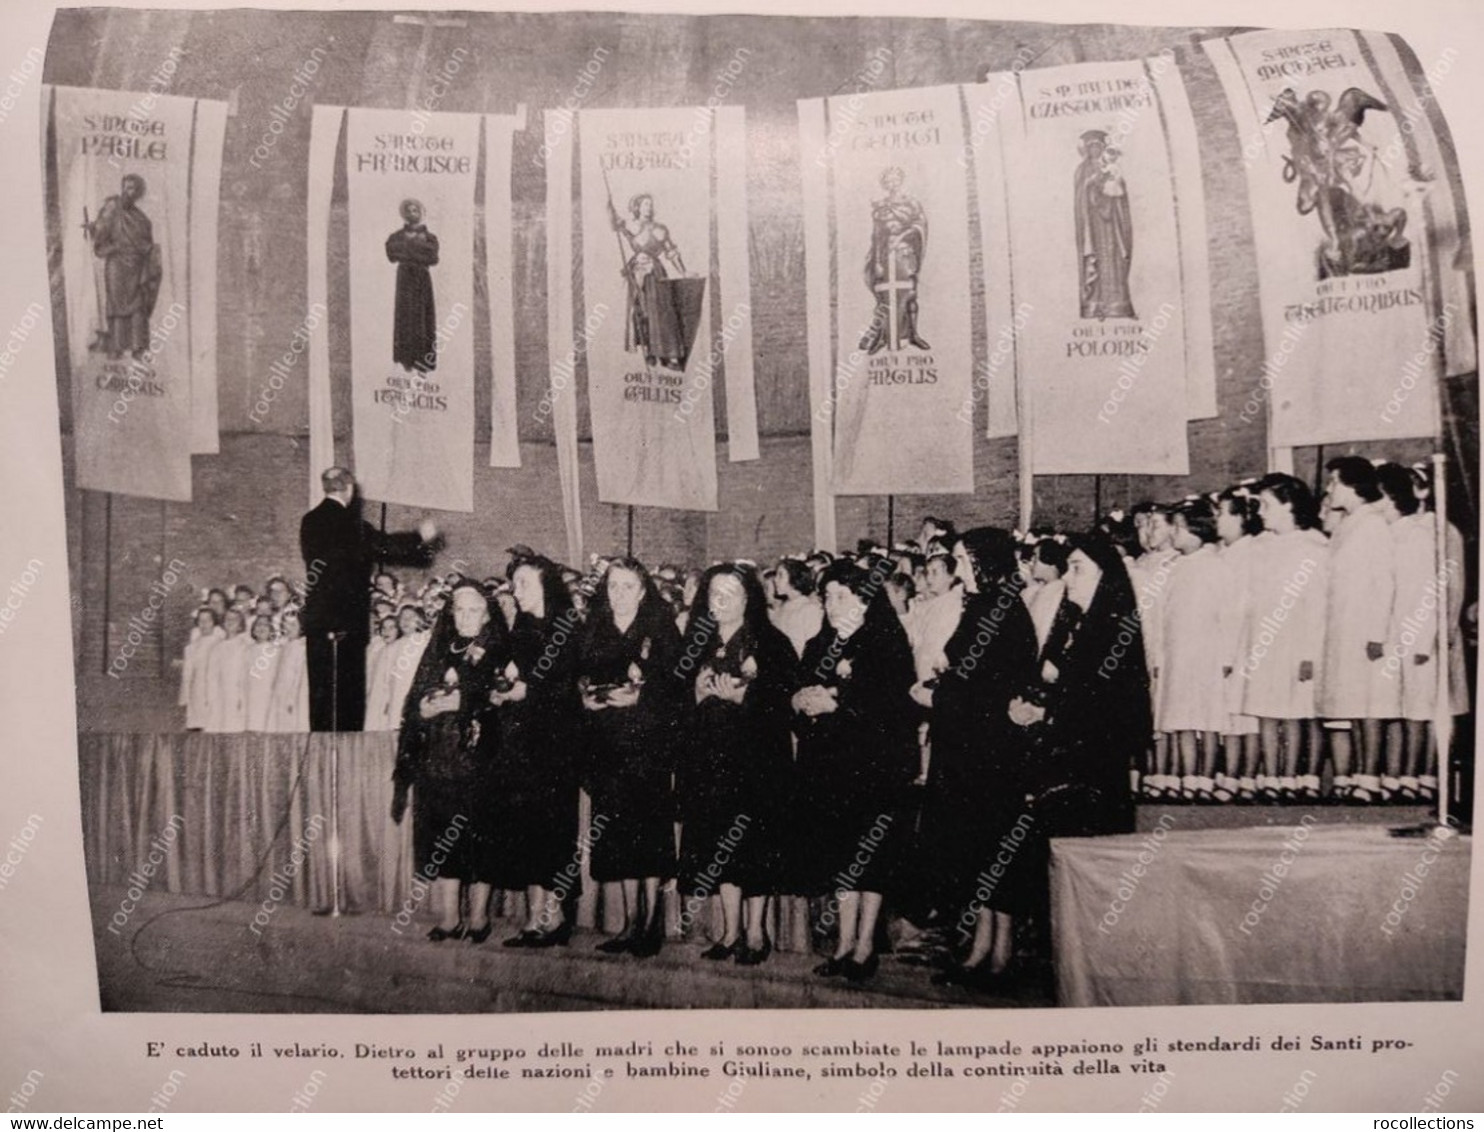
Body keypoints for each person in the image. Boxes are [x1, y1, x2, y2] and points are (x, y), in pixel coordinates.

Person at [1006, 534, 1148, 965]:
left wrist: (1054, 700)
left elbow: (1107, 702)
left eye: (1080, 568)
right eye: (1068, 567)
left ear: (1107, 577)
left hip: (1094, 768)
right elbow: (1048, 680)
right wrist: (1032, 703)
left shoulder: (1117, 628)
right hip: (1057, 762)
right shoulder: (1070, 624)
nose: (1069, 577)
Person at [913, 528, 1038, 991]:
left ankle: (1001, 955)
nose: (961, 570)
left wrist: (936, 695)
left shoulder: (1001, 610)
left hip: (991, 753)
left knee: (997, 849)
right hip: (971, 749)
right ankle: (982, 948)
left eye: (966, 561)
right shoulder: (986, 607)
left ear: (987, 563)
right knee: (980, 852)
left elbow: (987, 689)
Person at [792, 559, 917, 983]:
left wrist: (840, 705)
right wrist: (800, 702)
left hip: (875, 766)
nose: (831, 604)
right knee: (842, 853)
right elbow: (799, 688)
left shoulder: (887, 642)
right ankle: (843, 943)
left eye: (841, 596)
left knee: (872, 855)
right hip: (831, 768)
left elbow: (893, 707)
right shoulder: (818, 643)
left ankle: (865, 945)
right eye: (827, 596)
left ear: (864, 601)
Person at [677, 564, 799, 966]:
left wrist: (743, 698)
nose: (721, 600)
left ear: (749, 597)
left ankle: (756, 931)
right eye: (714, 593)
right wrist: (695, 692)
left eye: (731, 592)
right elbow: (672, 701)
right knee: (717, 844)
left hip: (755, 763)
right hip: (709, 762)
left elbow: (786, 703)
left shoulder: (772, 643)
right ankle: (729, 931)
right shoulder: (695, 644)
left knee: (753, 846)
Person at [577, 557, 685, 957]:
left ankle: (651, 923)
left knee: (649, 833)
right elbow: (582, 676)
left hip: (647, 747)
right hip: (609, 745)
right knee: (618, 834)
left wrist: (643, 697)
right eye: (613, 587)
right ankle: (628, 923)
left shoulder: (661, 629)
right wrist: (588, 697)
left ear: (642, 591)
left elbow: (675, 684)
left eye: (627, 586)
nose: (619, 594)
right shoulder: (596, 629)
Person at [391, 583, 506, 944]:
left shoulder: (499, 646)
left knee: (481, 835)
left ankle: (477, 917)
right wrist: (422, 709)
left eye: (473, 610)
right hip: (437, 760)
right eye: (459, 610)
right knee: (440, 833)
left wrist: (463, 703)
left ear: (487, 613)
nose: (465, 616)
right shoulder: (439, 647)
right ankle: (448, 916)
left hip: (479, 759)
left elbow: (502, 695)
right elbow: (416, 695)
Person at [487, 555, 583, 948]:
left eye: (523, 582)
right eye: (514, 583)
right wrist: (500, 691)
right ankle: (533, 919)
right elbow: (510, 672)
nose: (515, 590)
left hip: (558, 746)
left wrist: (530, 690)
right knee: (526, 830)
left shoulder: (566, 625)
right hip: (523, 746)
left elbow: (568, 684)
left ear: (546, 584)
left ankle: (554, 916)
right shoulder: (521, 629)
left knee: (555, 830)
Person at [299, 467, 439, 732]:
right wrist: (420, 536)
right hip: (346, 621)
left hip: (318, 622)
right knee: (347, 699)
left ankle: (320, 754)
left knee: (321, 694)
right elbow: (383, 545)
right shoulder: (351, 525)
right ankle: (345, 759)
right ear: (349, 489)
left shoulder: (309, 521)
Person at [1240, 474, 1328, 802]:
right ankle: (1272, 778)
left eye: (1266, 504)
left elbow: (1318, 604)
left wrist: (1309, 653)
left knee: (1294, 711)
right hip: (1263, 640)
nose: (1260, 511)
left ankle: (1293, 778)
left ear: (1288, 505)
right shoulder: (1260, 546)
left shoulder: (1312, 546)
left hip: (1296, 639)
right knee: (1265, 709)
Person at [1319, 456, 1398, 803]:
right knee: (1349, 702)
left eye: (1334, 482)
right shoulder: (1347, 525)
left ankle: (1369, 777)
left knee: (1370, 705)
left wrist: (1377, 634)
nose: (1328, 489)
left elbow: (1384, 582)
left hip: (1365, 628)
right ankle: (1350, 777)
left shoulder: (1373, 525)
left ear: (1354, 486)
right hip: (1342, 626)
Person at [1158, 499, 1238, 802]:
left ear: (1196, 529)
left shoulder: (1215, 565)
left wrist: (1227, 657)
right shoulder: (1175, 568)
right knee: (1180, 716)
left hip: (1206, 653)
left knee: (1206, 716)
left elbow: (1230, 614)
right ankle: (1188, 777)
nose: (1173, 533)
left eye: (1178, 527)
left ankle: (1206, 777)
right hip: (1178, 654)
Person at [609, 192, 692, 369]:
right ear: (637, 207)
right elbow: (616, 225)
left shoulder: (660, 229)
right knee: (641, 312)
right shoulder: (631, 226)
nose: (648, 207)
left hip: (655, 273)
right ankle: (648, 352)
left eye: (650, 204)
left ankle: (666, 356)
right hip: (636, 274)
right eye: (645, 204)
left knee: (661, 313)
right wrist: (609, 208)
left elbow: (672, 253)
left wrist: (683, 271)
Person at [89, 173, 160, 358]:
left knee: (137, 306)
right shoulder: (112, 207)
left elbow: (147, 244)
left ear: (139, 192)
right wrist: (95, 229)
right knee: (116, 305)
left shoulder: (142, 219)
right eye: (125, 187)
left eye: (132, 188)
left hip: (136, 268)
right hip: (116, 266)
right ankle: (117, 347)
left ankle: (138, 347)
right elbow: (101, 230)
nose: (127, 192)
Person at [1073, 130, 1135, 319]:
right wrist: (1092, 185)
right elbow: (1080, 195)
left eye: (1098, 147)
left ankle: (1117, 305)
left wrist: (1113, 187)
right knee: (1095, 260)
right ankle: (1094, 305)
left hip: (1111, 224)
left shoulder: (1110, 167)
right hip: (1093, 226)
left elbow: (1120, 193)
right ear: (1086, 150)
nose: (1094, 151)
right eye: (1091, 147)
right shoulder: (1082, 170)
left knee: (1114, 260)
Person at [387, 198, 440, 372]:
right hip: (404, 281)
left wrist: (408, 252)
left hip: (422, 280)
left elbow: (433, 258)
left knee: (423, 318)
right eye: (408, 211)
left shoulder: (430, 238)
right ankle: (406, 361)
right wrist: (417, 251)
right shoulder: (396, 236)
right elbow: (392, 254)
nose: (412, 214)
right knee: (405, 317)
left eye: (415, 210)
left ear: (420, 213)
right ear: (404, 214)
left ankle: (423, 361)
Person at [205, 609, 249, 733]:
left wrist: (241, 697)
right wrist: (211, 698)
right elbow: (211, 677)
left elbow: (245, 675)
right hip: (219, 696)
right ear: (223, 623)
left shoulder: (244, 647)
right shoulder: (216, 648)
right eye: (227, 619)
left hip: (237, 696)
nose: (230, 622)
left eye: (234, 619)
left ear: (241, 625)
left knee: (234, 727)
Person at [768, 558, 823, 660]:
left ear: (794, 578)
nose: (775, 580)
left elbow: (814, 649)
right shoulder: (781, 608)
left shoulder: (809, 609)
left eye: (781, 575)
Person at [179, 607, 223, 730]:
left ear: (214, 623)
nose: (204, 624)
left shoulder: (221, 644)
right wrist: (185, 700)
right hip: (196, 694)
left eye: (208, 620)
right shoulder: (191, 647)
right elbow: (187, 676)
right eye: (200, 621)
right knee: (196, 727)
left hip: (215, 693)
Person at [243, 615, 281, 732]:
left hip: (268, 696)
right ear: (253, 629)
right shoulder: (248, 651)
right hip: (250, 696)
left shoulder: (277, 650)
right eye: (258, 624)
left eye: (265, 625)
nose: (261, 627)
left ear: (271, 630)